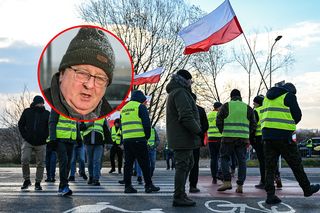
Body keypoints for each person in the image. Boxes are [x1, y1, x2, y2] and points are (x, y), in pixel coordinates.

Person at [260, 82, 320, 204]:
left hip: (267, 136)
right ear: (291, 91)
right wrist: (289, 123)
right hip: (283, 136)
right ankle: (307, 189)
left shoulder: (266, 98)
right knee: (296, 164)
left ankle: (270, 195)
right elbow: (297, 115)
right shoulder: (289, 96)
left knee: (270, 167)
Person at [44, 27, 115, 120]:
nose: (89, 85)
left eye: (100, 78)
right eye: (82, 73)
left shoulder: (111, 117)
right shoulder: (46, 108)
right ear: (62, 74)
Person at [166, 69, 202, 207]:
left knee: (189, 163)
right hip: (182, 137)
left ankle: (181, 193)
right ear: (185, 80)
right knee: (182, 166)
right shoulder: (180, 93)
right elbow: (186, 116)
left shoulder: (178, 92)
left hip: (183, 137)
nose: (190, 83)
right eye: (190, 80)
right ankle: (178, 196)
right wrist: (198, 131)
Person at [216, 89, 256, 194]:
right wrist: (247, 134)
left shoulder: (226, 106)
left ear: (231, 96)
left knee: (224, 158)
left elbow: (218, 120)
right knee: (242, 161)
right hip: (242, 138)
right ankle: (240, 185)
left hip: (228, 137)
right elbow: (253, 124)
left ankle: (227, 181)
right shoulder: (247, 108)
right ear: (240, 96)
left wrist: (223, 131)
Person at [120, 90, 160, 194]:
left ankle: (128, 186)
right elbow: (147, 124)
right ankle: (148, 185)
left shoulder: (124, 109)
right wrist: (146, 137)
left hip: (127, 140)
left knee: (128, 164)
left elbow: (121, 126)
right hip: (139, 139)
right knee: (145, 164)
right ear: (141, 99)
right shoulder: (140, 107)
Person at [18, 95, 50, 191]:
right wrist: (25, 136)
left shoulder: (47, 113)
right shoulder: (27, 111)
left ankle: (38, 182)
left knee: (41, 163)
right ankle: (26, 180)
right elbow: (20, 124)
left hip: (41, 143)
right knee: (24, 159)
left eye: (42, 103)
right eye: (39, 103)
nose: (41, 104)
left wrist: (45, 137)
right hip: (28, 141)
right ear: (35, 103)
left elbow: (49, 127)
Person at [48, 110, 78, 196]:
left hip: (71, 139)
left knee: (68, 163)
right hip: (60, 139)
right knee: (64, 162)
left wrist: (78, 138)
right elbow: (52, 122)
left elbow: (75, 124)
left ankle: (62, 186)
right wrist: (53, 138)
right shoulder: (56, 106)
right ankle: (65, 185)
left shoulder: (73, 107)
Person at [82, 118, 111, 186]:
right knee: (90, 161)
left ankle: (96, 179)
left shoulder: (102, 117)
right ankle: (91, 177)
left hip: (99, 142)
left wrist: (109, 143)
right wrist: (88, 124)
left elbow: (106, 130)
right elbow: (80, 127)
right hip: (88, 142)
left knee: (96, 161)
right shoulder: (85, 115)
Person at [189, 93, 209, 193]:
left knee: (183, 163)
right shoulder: (200, 110)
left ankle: (180, 186)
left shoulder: (183, 108)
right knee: (194, 163)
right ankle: (193, 185)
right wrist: (200, 134)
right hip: (196, 140)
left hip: (183, 140)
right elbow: (206, 125)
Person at [207, 101, 222, 184]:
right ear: (218, 107)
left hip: (211, 138)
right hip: (219, 138)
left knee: (213, 158)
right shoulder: (220, 114)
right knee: (221, 157)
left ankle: (214, 177)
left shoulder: (209, 115)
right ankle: (220, 174)